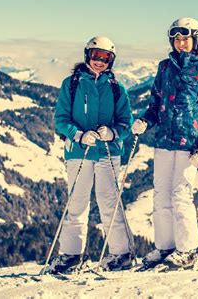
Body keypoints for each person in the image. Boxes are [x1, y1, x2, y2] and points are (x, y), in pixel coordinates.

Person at [132, 17, 198, 270]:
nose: (181, 44)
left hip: (189, 144)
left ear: (196, 40)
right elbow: (155, 103)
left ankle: (188, 249)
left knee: (181, 195)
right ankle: (166, 246)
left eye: (186, 39)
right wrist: (146, 122)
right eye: (177, 39)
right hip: (164, 142)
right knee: (161, 196)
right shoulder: (164, 67)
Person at [50, 36, 134, 274]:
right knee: (77, 203)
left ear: (111, 61)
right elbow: (61, 119)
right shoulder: (72, 84)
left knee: (109, 202)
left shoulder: (117, 89)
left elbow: (125, 123)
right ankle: (70, 255)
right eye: (96, 55)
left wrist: (113, 133)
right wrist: (77, 135)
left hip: (108, 152)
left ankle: (121, 253)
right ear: (87, 55)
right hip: (79, 152)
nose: (99, 61)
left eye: (105, 57)